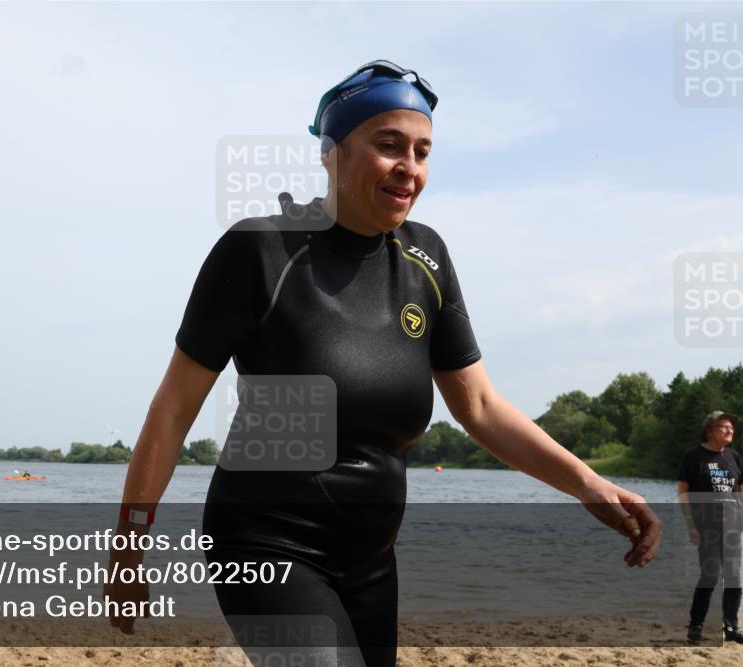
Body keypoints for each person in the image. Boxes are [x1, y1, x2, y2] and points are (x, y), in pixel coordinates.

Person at [105, 60, 662, 665]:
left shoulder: (426, 258)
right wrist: (130, 543)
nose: (410, 168)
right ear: (333, 152)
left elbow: (478, 407)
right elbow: (174, 408)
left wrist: (590, 485)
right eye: (388, 145)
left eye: (423, 151)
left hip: (370, 559)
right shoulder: (261, 249)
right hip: (264, 542)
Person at [677, 410, 743, 644]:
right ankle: (696, 626)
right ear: (710, 430)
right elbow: (683, 494)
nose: (730, 431)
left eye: (732, 428)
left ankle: (732, 628)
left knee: (734, 576)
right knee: (711, 575)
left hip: (733, 527)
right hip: (707, 528)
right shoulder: (693, 456)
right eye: (724, 427)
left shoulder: (734, 457)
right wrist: (690, 525)